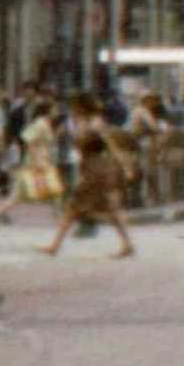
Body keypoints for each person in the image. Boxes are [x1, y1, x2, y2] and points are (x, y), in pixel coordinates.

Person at [47, 98, 137, 258]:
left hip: (97, 170)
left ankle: (55, 246)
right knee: (111, 210)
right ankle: (128, 244)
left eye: (75, 108)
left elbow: (111, 145)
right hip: (95, 168)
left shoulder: (95, 123)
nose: (73, 112)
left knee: (74, 207)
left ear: (83, 109)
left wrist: (125, 166)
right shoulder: (84, 122)